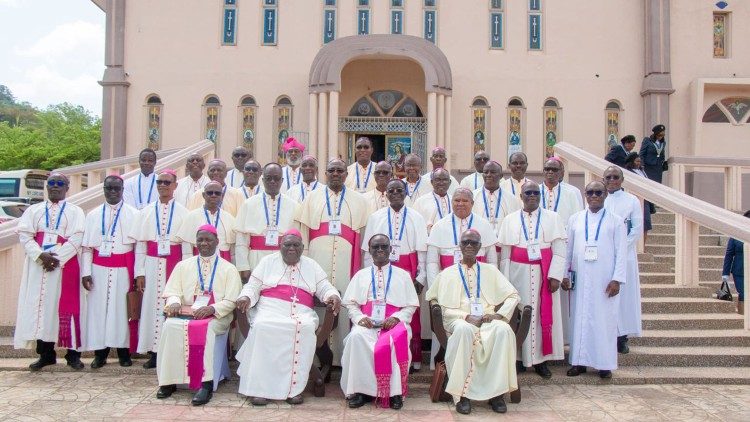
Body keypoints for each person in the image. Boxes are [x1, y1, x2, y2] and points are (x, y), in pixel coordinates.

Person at [235, 230, 341, 405]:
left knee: (305, 327)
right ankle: (259, 389)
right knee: (262, 326)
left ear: (303, 247)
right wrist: (245, 297)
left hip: (302, 311)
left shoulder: (312, 265)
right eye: (287, 245)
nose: (292, 248)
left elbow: (324, 286)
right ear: (280, 246)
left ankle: (294, 389)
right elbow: (252, 286)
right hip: (270, 309)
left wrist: (333, 296)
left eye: (296, 245)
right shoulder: (267, 262)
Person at [425, 229, 520, 415]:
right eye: (466, 242)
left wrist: (498, 316)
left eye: (474, 243)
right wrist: (464, 316)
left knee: (503, 331)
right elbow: (436, 302)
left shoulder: (490, 271)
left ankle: (497, 394)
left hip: (487, 319)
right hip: (458, 319)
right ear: (459, 246)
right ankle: (462, 395)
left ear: (480, 247)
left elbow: (513, 295)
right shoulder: (447, 273)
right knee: (463, 331)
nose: (469, 246)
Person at [155, 224, 241, 406]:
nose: (204, 243)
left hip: (216, 317)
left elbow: (232, 300)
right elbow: (172, 291)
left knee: (205, 328)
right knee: (169, 326)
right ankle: (168, 381)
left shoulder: (228, 268)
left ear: (217, 242)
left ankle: (205, 383)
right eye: (200, 240)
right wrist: (174, 302)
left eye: (208, 240)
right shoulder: (183, 265)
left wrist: (212, 309)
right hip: (187, 313)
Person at [297, 158, 368, 364]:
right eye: (331, 170)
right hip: (318, 259)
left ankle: (340, 357)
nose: (335, 174)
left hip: (347, 262)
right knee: (318, 303)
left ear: (346, 174)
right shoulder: (312, 198)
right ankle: (318, 357)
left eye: (340, 170)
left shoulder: (359, 200)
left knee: (345, 304)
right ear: (325, 174)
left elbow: (362, 236)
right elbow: (304, 233)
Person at [14, 173, 86, 371]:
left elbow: (77, 237)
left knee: (65, 309)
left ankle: (73, 355)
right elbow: (25, 236)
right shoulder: (34, 210)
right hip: (39, 266)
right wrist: (40, 256)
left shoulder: (75, 211)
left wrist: (57, 259)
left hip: (64, 267)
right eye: (52, 183)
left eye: (60, 183)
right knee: (41, 310)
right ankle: (46, 354)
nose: (55, 187)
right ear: (47, 187)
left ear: (67, 187)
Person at [342, 235, 419, 410]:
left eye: (384, 246)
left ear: (391, 249)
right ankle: (361, 391)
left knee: (394, 342)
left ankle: (394, 393)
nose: (380, 250)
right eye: (375, 247)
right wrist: (360, 319)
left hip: (394, 325)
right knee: (356, 338)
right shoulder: (360, 275)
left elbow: (411, 306)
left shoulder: (403, 275)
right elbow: (351, 304)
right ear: (369, 250)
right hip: (367, 324)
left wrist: (397, 318)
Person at [498, 181, 566, 378]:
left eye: (536, 193)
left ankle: (541, 361)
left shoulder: (553, 218)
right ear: (521, 196)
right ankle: (519, 357)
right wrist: (505, 281)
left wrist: (555, 276)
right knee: (518, 314)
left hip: (544, 272)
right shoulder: (510, 219)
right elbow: (505, 255)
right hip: (518, 273)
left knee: (542, 315)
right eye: (528, 193)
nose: (532, 196)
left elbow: (560, 251)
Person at [563, 180, 627, 379]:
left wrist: (617, 279)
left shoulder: (616, 221)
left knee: (603, 321)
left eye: (598, 192)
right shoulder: (575, 219)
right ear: (585, 194)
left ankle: (604, 364)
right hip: (580, 279)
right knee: (579, 320)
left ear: (605, 194)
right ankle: (578, 362)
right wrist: (564, 274)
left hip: (604, 280)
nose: (594, 196)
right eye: (590, 192)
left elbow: (621, 252)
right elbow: (567, 250)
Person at [362, 179, 428, 371]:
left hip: (408, 267)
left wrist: (421, 276)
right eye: (391, 190)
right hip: (382, 267)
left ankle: (412, 358)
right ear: (387, 194)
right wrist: (370, 274)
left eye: (400, 190)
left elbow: (421, 250)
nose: (396, 193)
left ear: (406, 193)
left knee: (409, 312)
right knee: (383, 306)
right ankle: (380, 349)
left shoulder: (416, 217)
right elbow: (368, 251)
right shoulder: (376, 217)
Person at [130, 169, 190, 369]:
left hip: (175, 265)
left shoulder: (184, 212)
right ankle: (154, 352)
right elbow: (140, 244)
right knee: (151, 307)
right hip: (152, 263)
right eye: (160, 182)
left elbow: (187, 246)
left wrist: (187, 274)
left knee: (173, 305)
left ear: (175, 185)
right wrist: (139, 272)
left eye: (167, 182)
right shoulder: (146, 211)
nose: (163, 185)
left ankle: (171, 352)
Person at [81, 175, 137, 368]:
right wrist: (85, 272)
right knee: (99, 311)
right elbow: (87, 248)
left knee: (121, 311)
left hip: (123, 268)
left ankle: (123, 353)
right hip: (99, 269)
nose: (113, 192)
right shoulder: (93, 215)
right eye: (109, 188)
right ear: (103, 189)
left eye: (116, 189)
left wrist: (137, 274)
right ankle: (100, 353)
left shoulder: (133, 213)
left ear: (122, 190)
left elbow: (138, 248)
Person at [235, 163, 300, 282]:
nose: (273, 181)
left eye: (276, 178)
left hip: (283, 257)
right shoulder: (249, 204)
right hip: (256, 257)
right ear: (263, 179)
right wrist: (243, 267)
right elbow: (241, 239)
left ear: (282, 180)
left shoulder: (294, 205)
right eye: (269, 178)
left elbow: (298, 239)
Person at [603, 166, 643, 354]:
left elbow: (636, 229)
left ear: (622, 179)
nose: (612, 180)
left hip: (625, 255)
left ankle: (622, 337)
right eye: (608, 177)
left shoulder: (632, 201)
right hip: (603, 256)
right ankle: (607, 335)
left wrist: (620, 247)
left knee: (624, 297)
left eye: (615, 177)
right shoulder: (598, 198)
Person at [427, 188, 499, 286]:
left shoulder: (484, 225)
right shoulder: (439, 226)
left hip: (478, 281)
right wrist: (434, 290)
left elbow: (492, 261)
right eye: (457, 200)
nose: (460, 204)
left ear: (472, 203)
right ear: (452, 202)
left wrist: (490, 284)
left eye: (465, 201)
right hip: (448, 281)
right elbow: (432, 263)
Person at [175, 181, 236, 262]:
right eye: (210, 193)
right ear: (204, 195)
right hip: (198, 260)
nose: (213, 195)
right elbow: (187, 250)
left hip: (223, 261)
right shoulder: (192, 216)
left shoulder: (229, 218)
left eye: (217, 193)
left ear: (222, 196)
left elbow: (232, 251)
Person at [472, 161, 519, 243]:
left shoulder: (511, 199)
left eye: (493, 172)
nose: (489, 175)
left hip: (503, 244)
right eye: (486, 172)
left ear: (501, 176)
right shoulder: (473, 196)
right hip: (479, 245)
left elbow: (514, 225)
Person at [540, 158, 583, 230]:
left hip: (562, 236)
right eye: (547, 169)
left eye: (554, 169)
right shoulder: (534, 191)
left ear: (561, 173)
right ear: (543, 171)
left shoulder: (570, 193)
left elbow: (577, 219)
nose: (550, 172)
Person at [722, 210, 750, 314]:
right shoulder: (736, 234)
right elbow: (729, 254)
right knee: (744, 294)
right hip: (740, 271)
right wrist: (725, 273)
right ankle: (744, 318)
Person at [625, 152, 653, 245]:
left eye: (639, 161)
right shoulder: (627, 172)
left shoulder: (642, 171)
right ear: (631, 161)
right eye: (637, 161)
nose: (638, 163)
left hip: (645, 200)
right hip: (635, 199)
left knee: (646, 224)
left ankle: (643, 246)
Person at [413, 168, 453, 233]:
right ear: (432, 182)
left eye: (445, 180)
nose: (441, 183)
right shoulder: (420, 202)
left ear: (450, 182)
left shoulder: (455, 201)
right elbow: (415, 225)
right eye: (438, 180)